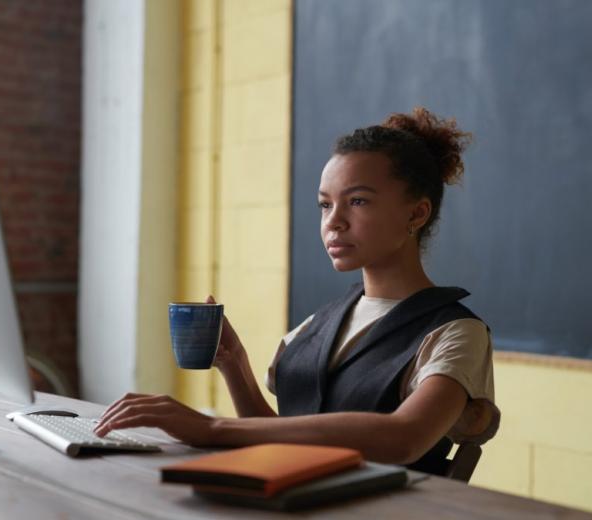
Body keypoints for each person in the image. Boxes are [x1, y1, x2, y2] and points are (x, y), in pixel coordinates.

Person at [94, 108, 499, 475]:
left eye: (357, 201)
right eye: (325, 205)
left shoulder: (456, 332)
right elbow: (278, 436)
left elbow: (404, 437)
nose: (333, 222)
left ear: (417, 213)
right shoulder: (321, 321)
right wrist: (235, 366)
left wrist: (212, 428)